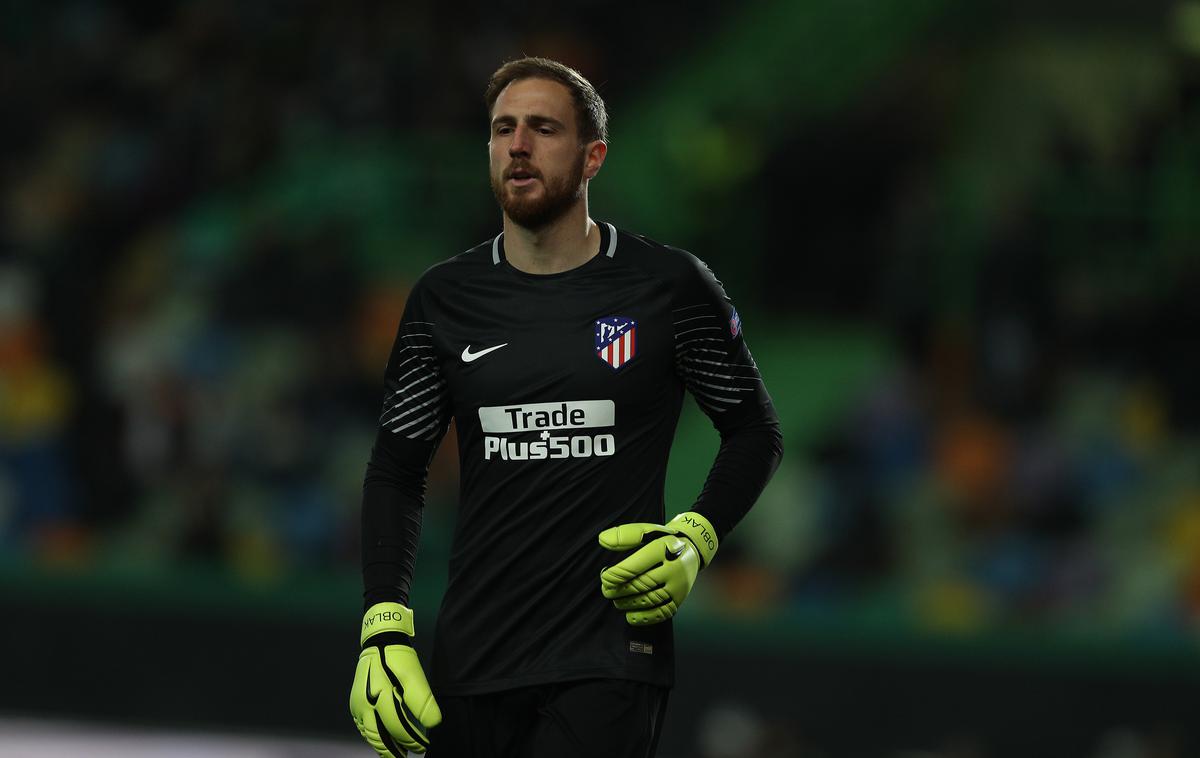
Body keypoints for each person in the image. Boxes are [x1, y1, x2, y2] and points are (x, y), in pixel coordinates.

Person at [348, 56, 783, 758]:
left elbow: (753, 431)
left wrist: (696, 536)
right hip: (471, 660)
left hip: (608, 656)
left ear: (592, 158)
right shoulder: (443, 299)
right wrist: (384, 625)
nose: (517, 145)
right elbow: (397, 469)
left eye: (543, 128)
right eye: (502, 129)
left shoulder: (669, 288)